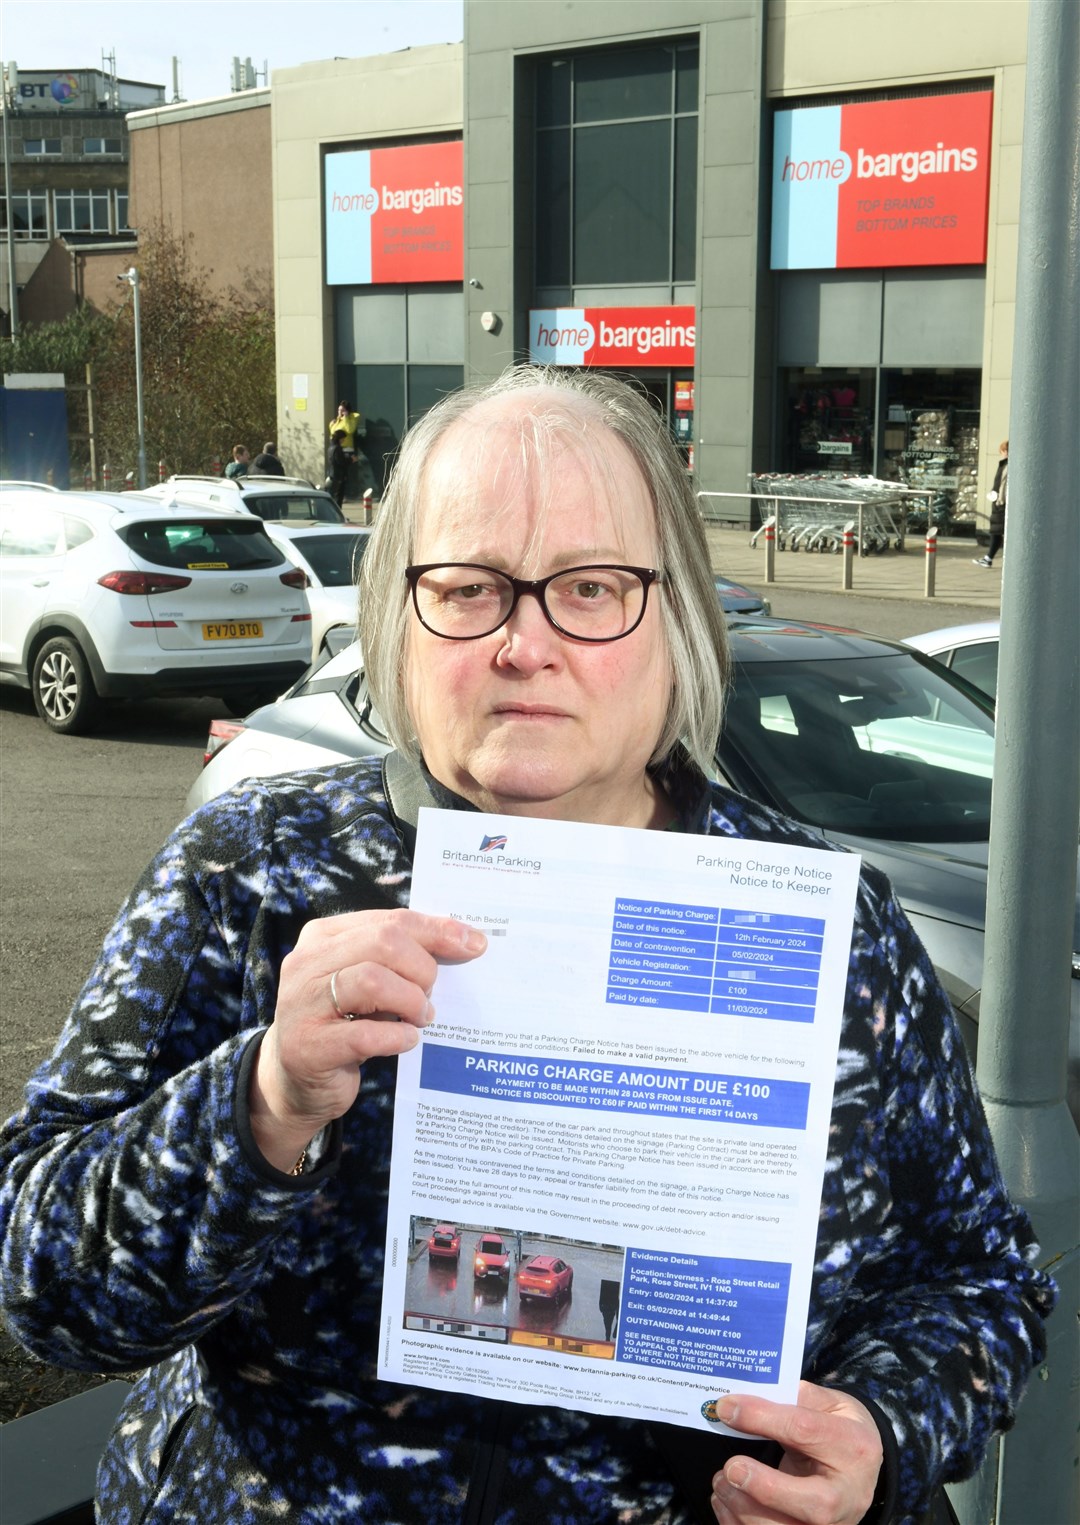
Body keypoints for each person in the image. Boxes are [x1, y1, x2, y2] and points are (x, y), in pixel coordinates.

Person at [0, 369, 1055, 1525]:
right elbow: (43, 1287)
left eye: (592, 588)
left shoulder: (829, 923)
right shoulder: (246, 874)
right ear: (400, 615)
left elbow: (980, 1277)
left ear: (679, 620)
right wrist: (260, 1101)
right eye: (469, 587)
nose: (524, 642)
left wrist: (883, 1429)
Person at [330, 398, 375, 499]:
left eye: (342, 410)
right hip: (338, 450)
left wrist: (346, 417)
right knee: (338, 473)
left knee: (348, 473)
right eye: (338, 410)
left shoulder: (352, 419)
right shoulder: (337, 421)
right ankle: (339, 494)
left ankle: (350, 493)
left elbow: (350, 430)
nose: (340, 412)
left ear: (347, 411)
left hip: (347, 449)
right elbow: (333, 433)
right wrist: (337, 421)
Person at [973, 440, 1008, 567]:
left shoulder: (1007, 466)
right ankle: (988, 558)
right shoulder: (1004, 465)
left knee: (997, 531)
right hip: (998, 502)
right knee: (997, 531)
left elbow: (1003, 484)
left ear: (1006, 451)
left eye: (1002, 451)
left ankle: (989, 558)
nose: (1001, 454)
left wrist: (999, 500)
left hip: (1000, 503)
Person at [325, 425, 349, 509]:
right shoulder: (337, 448)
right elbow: (340, 462)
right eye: (343, 439)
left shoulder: (331, 448)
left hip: (333, 474)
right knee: (338, 496)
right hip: (338, 475)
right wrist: (350, 460)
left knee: (333, 495)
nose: (343, 441)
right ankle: (337, 514)